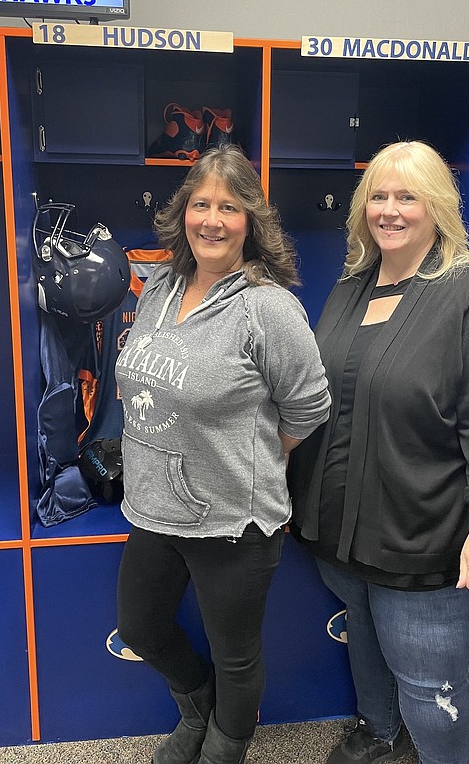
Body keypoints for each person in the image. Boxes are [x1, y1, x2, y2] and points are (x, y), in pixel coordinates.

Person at [288, 141, 469, 764]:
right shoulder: (352, 286)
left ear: (439, 208)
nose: (389, 210)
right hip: (347, 525)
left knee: (431, 681)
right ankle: (379, 734)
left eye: (408, 196)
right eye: (378, 195)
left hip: (429, 529)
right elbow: (325, 394)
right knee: (366, 641)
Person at [115, 144, 331, 764]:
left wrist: (262, 457)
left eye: (229, 208)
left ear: (251, 222)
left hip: (234, 517)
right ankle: (195, 706)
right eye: (200, 204)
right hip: (153, 508)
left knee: (236, 652)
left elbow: (310, 406)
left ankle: (225, 747)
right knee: (141, 628)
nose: (211, 219)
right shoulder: (161, 286)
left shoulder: (268, 307)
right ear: (183, 212)